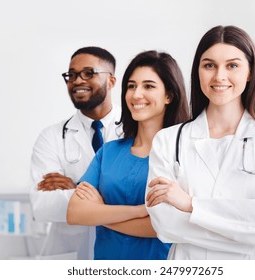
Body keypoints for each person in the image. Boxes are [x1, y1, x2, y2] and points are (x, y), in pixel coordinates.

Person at [145, 25, 255, 260]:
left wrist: (190, 204)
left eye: (232, 65)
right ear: (198, 71)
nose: (219, 76)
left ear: (250, 72)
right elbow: (166, 225)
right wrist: (251, 218)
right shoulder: (168, 141)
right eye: (209, 65)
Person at [66, 50, 190, 259]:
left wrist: (99, 212)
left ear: (169, 95)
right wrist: (139, 211)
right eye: (131, 86)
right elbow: (75, 213)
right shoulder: (109, 152)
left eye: (148, 86)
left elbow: (163, 227)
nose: (136, 94)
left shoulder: (183, 154)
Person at [30, 46, 122, 259]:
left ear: (111, 81)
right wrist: (111, 195)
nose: (77, 80)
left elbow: (141, 198)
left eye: (89, 73)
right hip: (70, 255)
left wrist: (77, 188)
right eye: (71, 75)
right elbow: (42, 206)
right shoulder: (51, 137)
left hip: (122, 251)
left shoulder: (136, 130)